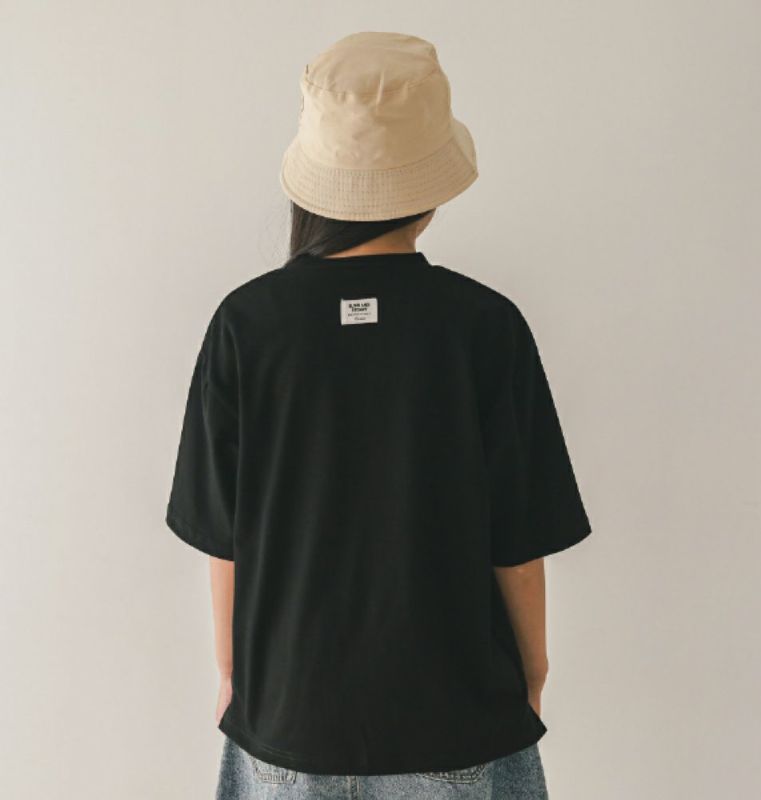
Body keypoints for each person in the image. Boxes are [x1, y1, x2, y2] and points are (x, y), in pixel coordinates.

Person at [165, 31, 592, 800]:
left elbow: (224, 540)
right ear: (428, 185)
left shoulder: (246, 326)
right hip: (458, 716)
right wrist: (534, 673)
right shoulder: (484, 326)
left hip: (289, 719)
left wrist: (233, 675)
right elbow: (519, 547)